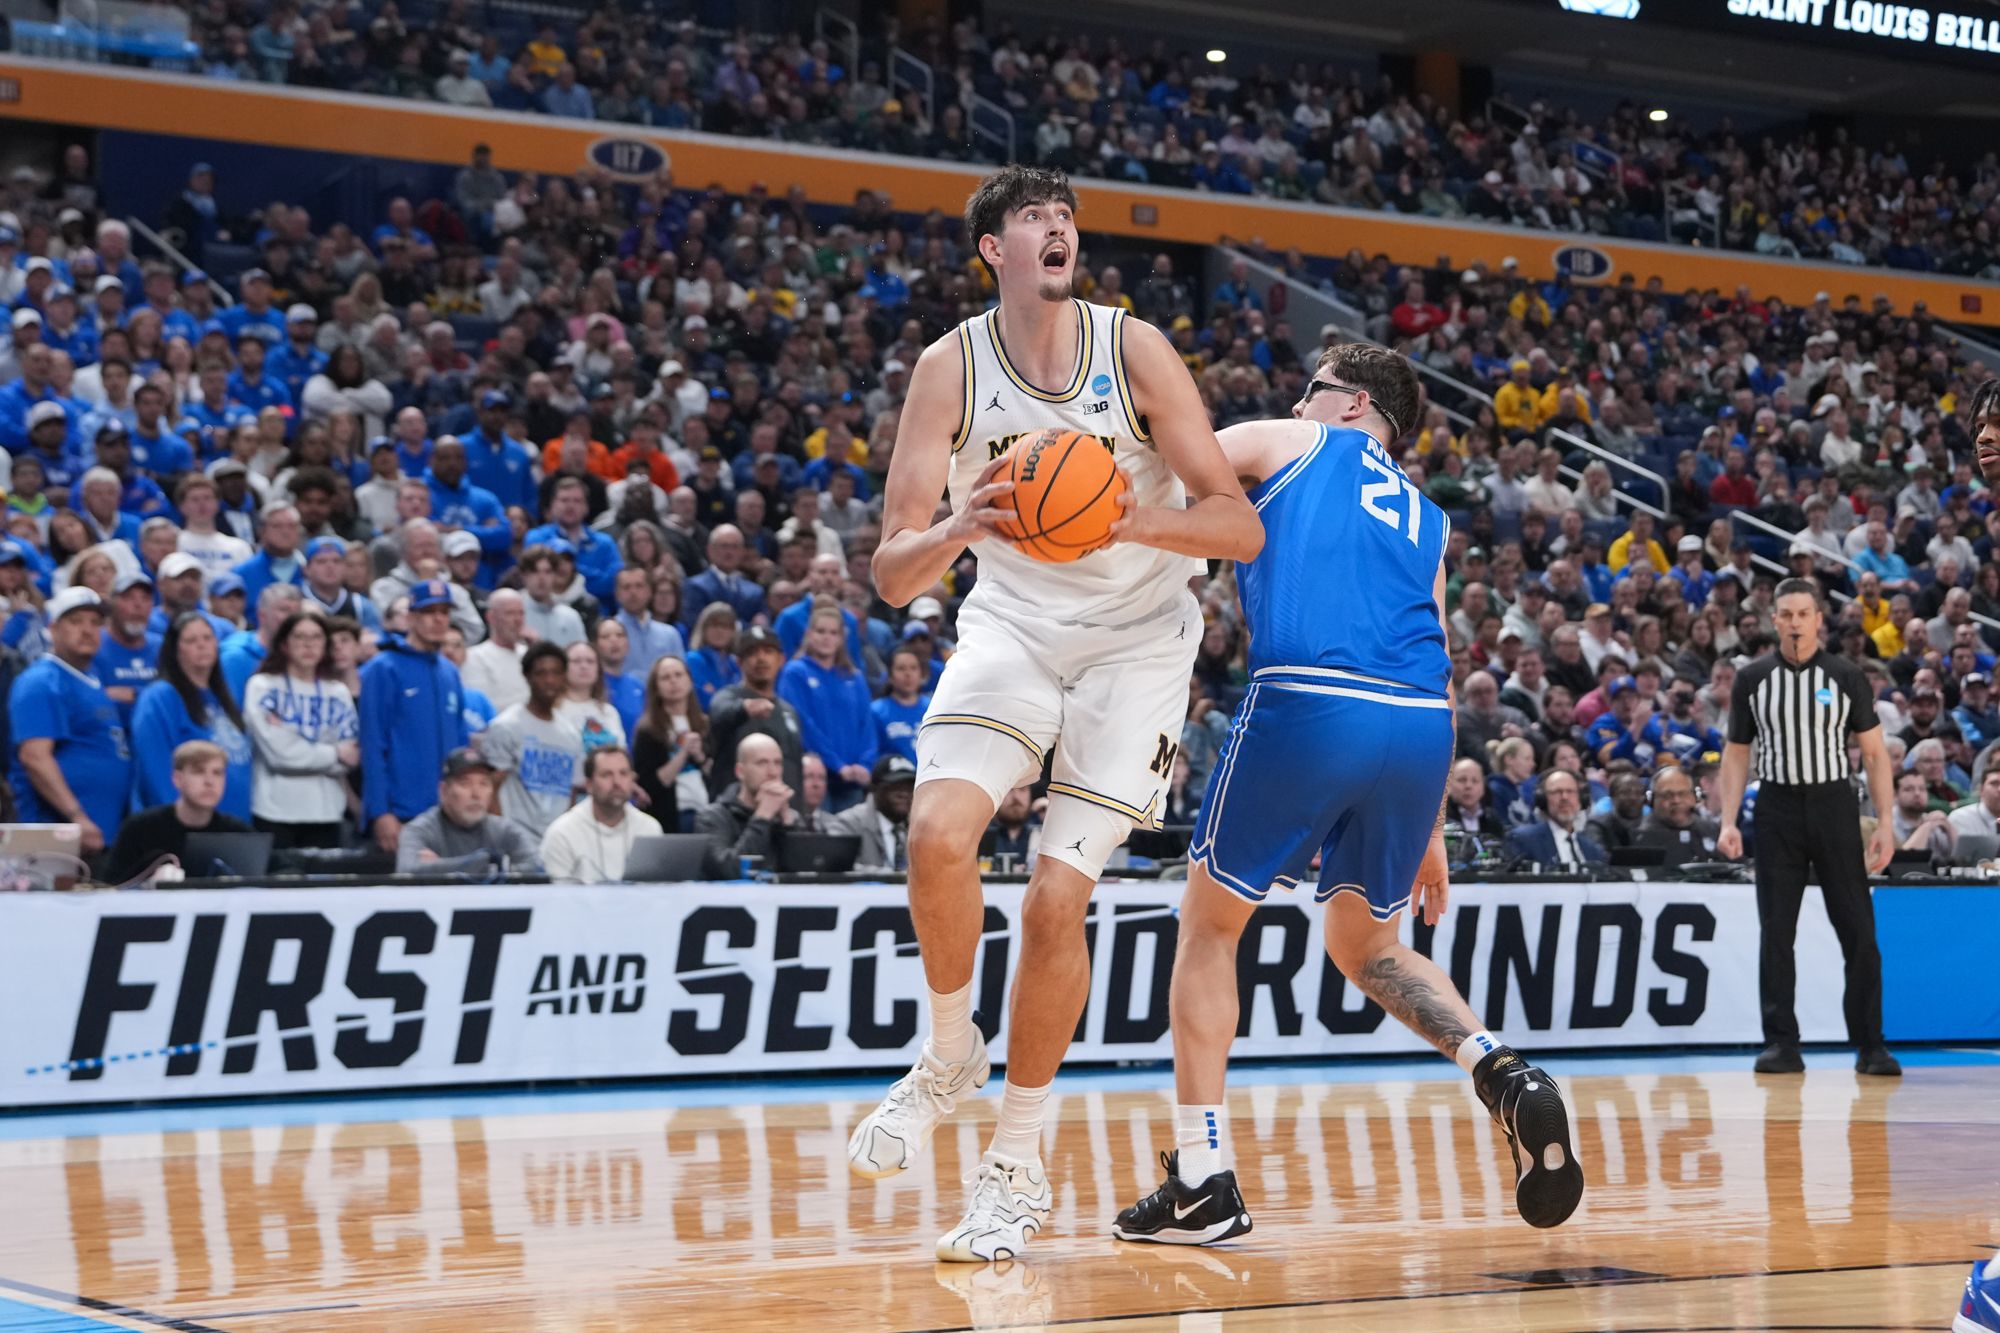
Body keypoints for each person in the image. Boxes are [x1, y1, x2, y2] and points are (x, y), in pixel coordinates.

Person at [850, 166, 1262, 1262]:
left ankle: (1014, 1166)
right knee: (937, 835)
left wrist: (1124, 520)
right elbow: (892, 573)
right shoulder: (949, 367)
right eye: (1030, 217)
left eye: (1063, 217)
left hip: (1136, 647)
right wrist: (957, 527)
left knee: (1049, 901)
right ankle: (947, 1050)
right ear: (990, 248)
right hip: (1013, 626)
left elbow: (1234, 526)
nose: (1054, 228)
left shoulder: (1132, 350)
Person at [1111, 343, 1579, 1249]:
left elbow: (1179, 448)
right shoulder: (1429, 519)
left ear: (1352, 401)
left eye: (1312, 388)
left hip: (1311, 700)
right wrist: (1433, 825)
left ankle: (1204, 1178)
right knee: (1367, 947)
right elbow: (1436, 648)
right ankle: (1502, 1070)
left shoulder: (1295, 441)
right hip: (1417, 731)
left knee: (1210, 931)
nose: (1299, 397)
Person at [1715, 579, 1901, 1077]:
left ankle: (1871, 1045)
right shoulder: (1752, 678)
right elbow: (1736, 756)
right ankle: (1781, 1043)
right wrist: (1728, 820)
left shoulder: (1847, 676)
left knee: (1858, 929)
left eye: (1804, 613)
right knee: (1777, 930)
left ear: (1819, 618)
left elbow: (1876, 754)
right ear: (1773, 620)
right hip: (1775, 807)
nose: (1795, 622)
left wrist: (1885, 823)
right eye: (1786, 614)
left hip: (1834, 804)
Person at [7, 587, 132, 855]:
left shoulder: (91, 678)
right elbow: (35, 758)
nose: (87, 630)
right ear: (53, 629)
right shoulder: (41, 681)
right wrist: (77, 816)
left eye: (95, 622)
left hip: (99, 835)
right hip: (57, 838)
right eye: (75, 621)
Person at [358, 578, 470, 854]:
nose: (438, 620)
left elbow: (460, 746)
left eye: (444, 612)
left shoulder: (449, 672)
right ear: (410, 617)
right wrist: (381, 811)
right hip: (403, 813)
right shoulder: (382, 668)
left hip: (449, 814)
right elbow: (372, 745)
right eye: (429, 612)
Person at [243, 610, 359, 849]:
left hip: (326, 813)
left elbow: (352, 756)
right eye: (299, 637)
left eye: (316, 637)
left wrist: (302, 750)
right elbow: (279, 755)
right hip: (274, 811)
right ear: (284, 645)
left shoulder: (337, 692)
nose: (308, 644)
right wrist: (333, 753)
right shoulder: (263, 686)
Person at [131, 612, 255, 822]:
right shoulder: (160, 697)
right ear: (175, 649)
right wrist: (176, 822)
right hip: (186, 826)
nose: (202, 645)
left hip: (234, 823)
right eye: (191, 640)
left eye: (207, 638)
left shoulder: (224, 697)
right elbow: (154, 770)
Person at [101, 740, 252, 883]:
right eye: (198, 772)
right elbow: (111, 887)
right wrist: (148, 885)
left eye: (217, 773)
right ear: (177, 779)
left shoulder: (237, 832)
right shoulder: (140, 829)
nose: (209, 781)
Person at [479, 641, 587, 839]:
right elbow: (490, 788)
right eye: (541, 673)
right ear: (527, 677)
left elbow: (572, 793)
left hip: (557, 841)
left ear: (564, 677)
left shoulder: (571, 734)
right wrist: (503, 839)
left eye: (556, 673)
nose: (549, 680)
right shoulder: (507, 726)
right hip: (517, 841)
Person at [778, 602, 878, 811]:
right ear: (808, 633)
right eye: (820, 631)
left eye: (833, 632)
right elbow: (802, 723)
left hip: (853, 778)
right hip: (815, 777)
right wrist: (836, 764)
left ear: (842, 638)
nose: (827, 637)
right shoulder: (795, 673)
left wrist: (865, 764)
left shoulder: (854, 676)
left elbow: (866, 725)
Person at [395, 746, 543, 873]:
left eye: (484, 784)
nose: (476, 794)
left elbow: (538, 867)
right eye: (465, 783)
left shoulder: (506, 830)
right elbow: (407, 870)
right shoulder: (419, 829)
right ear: (443, 791)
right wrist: (491, 863)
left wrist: (439, 866)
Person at [706, 625, 805, 799]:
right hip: (736, 815)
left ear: (781, 659)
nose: (761, 658)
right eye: (752, 653)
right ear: (739, 662)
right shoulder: (728, 697)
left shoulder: (789, 712)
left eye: (768, 651)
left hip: (784, 814)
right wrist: (744, 709)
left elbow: (794, 768)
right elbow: (719, 714)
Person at [540, 748, 662, 883]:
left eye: (623, 773)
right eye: (606, 775)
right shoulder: (562, 833)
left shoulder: (650, 829)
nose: (617, 782)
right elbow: (556, 898)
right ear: (589, 785)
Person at [695, 731, 796, 879]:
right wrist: (762, 817)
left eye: (778, 763)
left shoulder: (790, 817)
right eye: (762, 763)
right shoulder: (712, 817)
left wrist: (788, 826)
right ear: (740, 771)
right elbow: (726, 871)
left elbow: (804, 872)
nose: (773, 772)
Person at [631, 654, 707, 831]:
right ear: (656, 687)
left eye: (679, 675)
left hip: (705, 812)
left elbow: (716, 776)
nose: (674, 681)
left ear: (689, 680)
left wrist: (700, 756)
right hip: (671, 816)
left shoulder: (704, 724)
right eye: (666, 677)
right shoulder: (647, 731)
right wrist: (683, 754)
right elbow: (649, 786)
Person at [826, 753, 918, 869]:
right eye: (895, 786)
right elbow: (836, 870)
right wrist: (888, 877)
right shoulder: (847, 825)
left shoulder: (918, 829)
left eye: (910, 788)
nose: (904, 794)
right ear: (874, 788)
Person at [1503, 768, 1606, 868]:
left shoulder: (1593, 851)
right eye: (1556, 792)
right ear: (1542, 799)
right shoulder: (1524, 840)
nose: (1565, 797)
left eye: (1570, 791)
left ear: (1581, 799)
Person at [1634, 765, 1719, 868]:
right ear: (1651, 800)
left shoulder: (1710, 830)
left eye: (1683, 794)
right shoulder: (1639, 836)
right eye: (1667, 795)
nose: (1676, 801)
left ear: (1696, 796)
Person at [462, 587, 529, 713]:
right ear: (491, 617)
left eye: (521, 613)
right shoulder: (474, 657)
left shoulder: (529, 655)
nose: (517, 620)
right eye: (510, 613)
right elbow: (480, 707)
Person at [613, 565, 685, 678]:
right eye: (626, 587)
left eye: (639, 586)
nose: (633, 592)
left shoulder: (670, 634)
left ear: (650, 591)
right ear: (617, 594)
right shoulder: (608, 634)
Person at [872, 643, 933, 764]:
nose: (908, 674)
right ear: (890, 676)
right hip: (892, 780)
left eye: (913, 668)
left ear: (922, 674)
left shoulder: (933, 709)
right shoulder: (875, 711)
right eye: (901, 668)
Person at [1890, 767, 1954, 860]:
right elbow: (1904, 862)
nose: (1917, 793)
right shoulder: (1889, 824)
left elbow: (1963, 858)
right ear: (1895, 795)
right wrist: (1925, 828)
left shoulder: (1932, 821)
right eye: (1909, 789)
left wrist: (1949, 827)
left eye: (1922, 789)